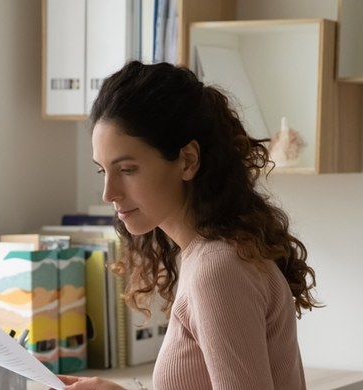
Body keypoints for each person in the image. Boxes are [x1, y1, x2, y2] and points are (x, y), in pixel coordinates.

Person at [56, 61, 322, 390]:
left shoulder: (218, 269)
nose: (110, 192)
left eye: (127, 170)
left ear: (188, 160)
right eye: (103, 171)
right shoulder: (214, 257)